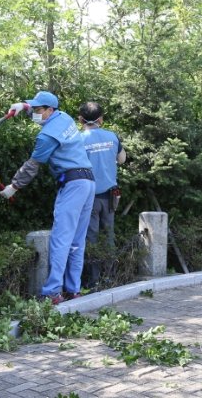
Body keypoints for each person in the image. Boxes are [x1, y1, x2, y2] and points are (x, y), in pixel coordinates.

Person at [0, 91, 96, 304]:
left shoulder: (46, 136)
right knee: (77, 241)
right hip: (88, 182)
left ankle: (52, 292)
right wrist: (22, 106)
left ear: (49, 110)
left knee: (61, 239)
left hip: (72, 185)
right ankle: (73, 289)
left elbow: (32, 166)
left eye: (37, 110)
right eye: (32, 110)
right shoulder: (65, 117)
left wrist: (13, 187)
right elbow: (40, 108)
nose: (34, 114)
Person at [78, 101, 126, 288]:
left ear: (81, 120)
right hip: (111, 197)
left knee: (91, 239)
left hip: (89, 198)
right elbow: (122, 159)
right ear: (101, 119)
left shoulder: (79, 139)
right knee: (109, 237)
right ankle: (111, 277)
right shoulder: (112, 136)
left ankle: (93, 281)